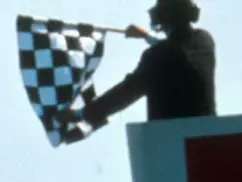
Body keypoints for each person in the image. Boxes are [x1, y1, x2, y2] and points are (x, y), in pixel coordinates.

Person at [64, 0, 216, 126]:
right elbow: (179, 50)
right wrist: (146, 36)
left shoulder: (157, 56)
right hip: (207, 137)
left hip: (171, 139)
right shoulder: (204, 41)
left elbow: (126, 93)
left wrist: (81, 114)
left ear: (161, 18)